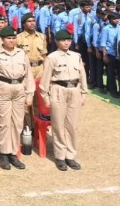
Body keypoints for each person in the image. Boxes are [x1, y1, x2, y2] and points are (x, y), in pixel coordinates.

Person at [0, 25, 33, 170]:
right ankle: (4, 154)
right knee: (4, 122)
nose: (12, 41)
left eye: (14, 38)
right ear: (2, 39)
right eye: (9, 38)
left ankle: (14, 153)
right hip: (3, 89)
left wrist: (30, 93)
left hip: (19, 89)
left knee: (17, 122)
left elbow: (28, 74)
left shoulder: (21, 53)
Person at [40, 29, 87, 171]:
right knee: (59, 124)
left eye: (68, 40)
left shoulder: (76, 56)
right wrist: (46, 98)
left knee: (72, 125)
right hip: (58, 90)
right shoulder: (52, 57)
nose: (66, 43)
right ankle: (60, 156)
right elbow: (45, 81)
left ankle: (70, 155)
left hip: (74, 90)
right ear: (57, 42)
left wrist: (84, 93)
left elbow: (82, 75)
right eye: (63, 40)